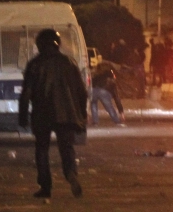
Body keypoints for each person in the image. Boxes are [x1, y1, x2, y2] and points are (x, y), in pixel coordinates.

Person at [19, 29, 87, 199]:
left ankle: (45, 187)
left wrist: (22, 116)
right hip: (66, 114)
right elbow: (81, 92)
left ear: (40, 44)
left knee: (42, 150)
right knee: (67, 147)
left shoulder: (35, 64)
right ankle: (71, 173)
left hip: (42, 114)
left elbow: (26, 93)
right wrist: (81, 114)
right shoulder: (69, 63)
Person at [90, 61, 123, 126]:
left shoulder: (95, 74)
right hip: (104, 91)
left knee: (93, 104)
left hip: (93, 91)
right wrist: (121, 111)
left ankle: (95, 121)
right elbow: (116, 97)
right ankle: (116, 121)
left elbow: (91, 83)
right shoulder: (110, 77)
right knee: (109, 107)